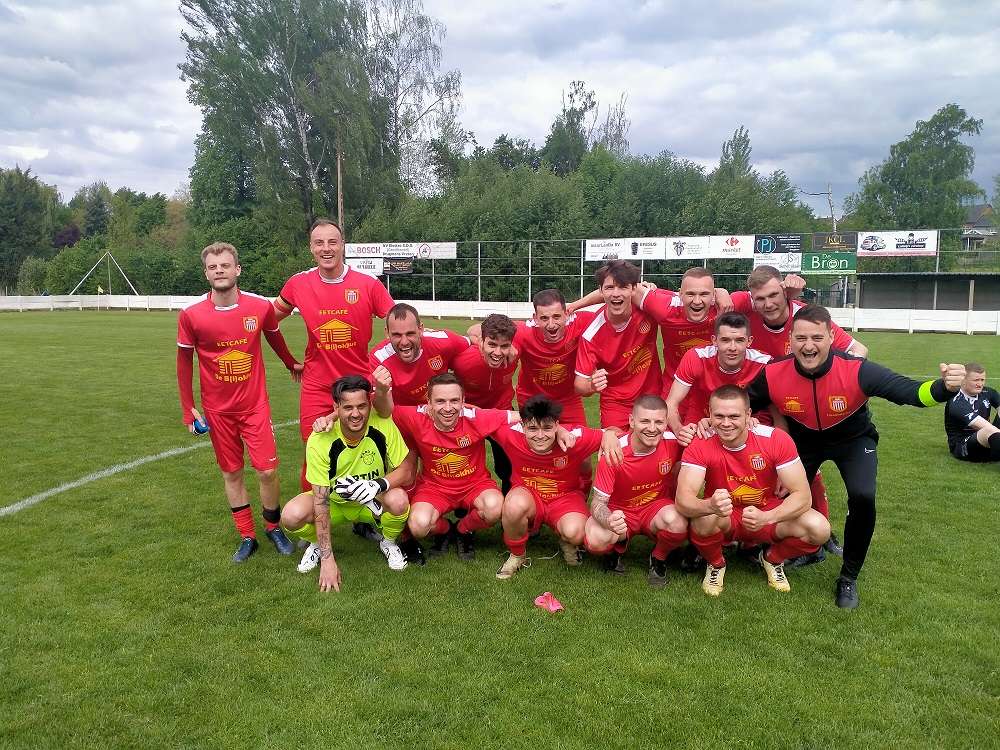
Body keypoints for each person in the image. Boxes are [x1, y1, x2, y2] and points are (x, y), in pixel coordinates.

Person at [747, 304, 966, 609]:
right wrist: (725, 418)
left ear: (831, 339)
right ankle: (783, 549)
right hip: (803, 443)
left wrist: (944, 387)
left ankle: (848, 577)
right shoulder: (773, 372)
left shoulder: (857, 369)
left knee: (863, 496)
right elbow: (741, 401)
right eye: (801, 338)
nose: (808, 346)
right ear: (790, 340)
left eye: (817, 338)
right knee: (778, 496)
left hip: (853, 440)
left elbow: (912, 393)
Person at [176, 242, 301, 562]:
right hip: (218, 411)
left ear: (237, 269)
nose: (220, 271)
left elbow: (274, 336)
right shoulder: (191, 315)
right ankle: (247, 536)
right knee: (232, 473)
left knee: (267, 471)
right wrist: (188, 408)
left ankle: (273, 528)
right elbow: (183, 362)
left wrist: (290, 363)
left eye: (225, 265)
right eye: (213, 267)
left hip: (255, 405)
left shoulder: (259, 307)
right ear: (206, 273)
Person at [272, 219, 395, 490]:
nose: (326, 248)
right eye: (319, 243)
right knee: (314, 447)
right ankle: (314, 522)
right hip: (317, 385)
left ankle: (365, 515)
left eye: (332, 242)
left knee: (367, 448)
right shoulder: (298, 284)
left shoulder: (368, 284)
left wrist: (380, 359)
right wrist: (287, 358)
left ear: (342, 246)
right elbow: (268, 320)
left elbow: (397, 324)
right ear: (311, 248)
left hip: (359, 385)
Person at [675, 385, 831, 596]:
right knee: (703, 519)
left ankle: (772, 559)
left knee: (819, 528)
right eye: (719, 416)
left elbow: (803, 496)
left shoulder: (775, 439)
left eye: (734, 416)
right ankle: (716, 564)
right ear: (709, 414)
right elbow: (683, 500)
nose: (726, 423)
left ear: (748, 415)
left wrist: (767, 517)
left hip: (766, 510)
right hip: (725, 514)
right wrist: (709, 504)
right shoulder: (700, 444)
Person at [280, 376, 416, 592]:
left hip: (370, 502)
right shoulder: (320, 439)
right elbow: (321, 500)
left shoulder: (382, 425)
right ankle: (316, 544)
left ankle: (388, 542)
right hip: (334, 504)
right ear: (336, 408)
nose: (356, 413)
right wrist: (327, 559)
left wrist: (377, 485)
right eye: (348, 407)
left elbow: (407, 471)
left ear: (369, 404)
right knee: (290, 515)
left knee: (399, 500)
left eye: (362, 406)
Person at [490, 396, 623, 579]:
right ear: (522, 426)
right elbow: (474, 414)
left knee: (575, 532)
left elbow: (620, 433)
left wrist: (609, 434)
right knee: (513, 506)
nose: (540, 435)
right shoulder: (510, 433)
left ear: (557, 425)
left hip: (565, 498)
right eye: (533, 428)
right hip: (529, 495)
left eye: (547, 428)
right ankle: (517, 555)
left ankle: (567, 541)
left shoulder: (573, 437)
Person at [392, 373, 520, 562]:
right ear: (429, 403)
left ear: (463, 401)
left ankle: (463, 529)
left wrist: (558, 429)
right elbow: (380, 411)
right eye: (440, 401)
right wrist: (335, 415)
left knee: (495, 508)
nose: (448, 408)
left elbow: (520, 416)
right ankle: (445, 530)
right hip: (434, 487)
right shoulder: (415, 417)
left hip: (475, 485)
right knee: (418, 526)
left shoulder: (476, 417)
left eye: (454, 401)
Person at [584, 395, 689, 588]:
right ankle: (616, 548)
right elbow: (597, 503)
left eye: (659, 422)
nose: (652, 428)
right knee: (595, 539)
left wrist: (704, 425)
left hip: (655, 509)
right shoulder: (615, 450)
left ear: (666, 422)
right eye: (645, 421)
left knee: (679, 523)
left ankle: (658, 558)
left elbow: (709, 445)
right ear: (632, 421)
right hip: (621, 512)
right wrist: (609, 520)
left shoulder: (674, 442)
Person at [574, 261, 664, 430]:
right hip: (616, 403)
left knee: (654, 451)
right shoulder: (591, 334)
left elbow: (685, 301)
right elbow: (579, 384)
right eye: (609, 288)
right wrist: (591, 386)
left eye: (622, 287)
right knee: (614, 449)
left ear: (633, 289)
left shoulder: (648, 310)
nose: (616, 294)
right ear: (601, 291)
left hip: (652, 395)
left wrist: (720, 292)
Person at [666, 311, 771, 438]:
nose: (732, 348)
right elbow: (671, 403)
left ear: (749, 341)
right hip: (702, 422)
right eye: (725, 340)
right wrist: (679, 431)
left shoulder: (764, 364)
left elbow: (776, 410)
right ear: (714, 340)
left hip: (748, 422)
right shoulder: (697, 357)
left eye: (739, 340)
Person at [732, 265, 867, 359]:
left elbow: (859, 349)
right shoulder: (745, 308)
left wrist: (848, 369)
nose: (768, 304)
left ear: (785, 291)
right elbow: (714, 300)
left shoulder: (806, 315)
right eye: (760, 299)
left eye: (773, 295)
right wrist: (719, 293)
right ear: (752, 299)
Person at [452, 313, 519, 494]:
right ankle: (461, 505)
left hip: (502, 413)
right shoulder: (462, 360)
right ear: (481, 342)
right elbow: (472, 330)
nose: (498, 353)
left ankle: (509, 504)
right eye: (492, 345)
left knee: (509, 463)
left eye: (504, 346)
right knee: (463, 463)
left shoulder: (515, 352)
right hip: (470, 415)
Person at [511, 289, 598, 427]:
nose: (551, 324)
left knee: (578, 442)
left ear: (566, 314)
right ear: (535, 318)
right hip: (532, 399)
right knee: (539, 444)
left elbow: (610, 297)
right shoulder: (522, 331)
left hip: (568, 399)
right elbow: (478, 330)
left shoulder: (580, 322)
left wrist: (641, 290)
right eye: (544, 318)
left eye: (556, 316)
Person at [369, 303, 471, 409]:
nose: (404, 342)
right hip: (404, 416)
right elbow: (384, 412)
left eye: (410, 334)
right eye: (397, 335)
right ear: (387, 333)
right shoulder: (379, 359)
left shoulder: (442, 341)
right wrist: (381, 391)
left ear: (421, 329)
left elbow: (472, 341)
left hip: (441, 410)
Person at [945, 363, 1000, 462]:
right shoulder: (957, 402)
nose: (980, 384)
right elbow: (987, 428)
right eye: (976, 380)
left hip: (989, 440)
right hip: (963, 448)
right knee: (988, 430)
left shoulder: (987, 392)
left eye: (982, 380)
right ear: (963, 381)